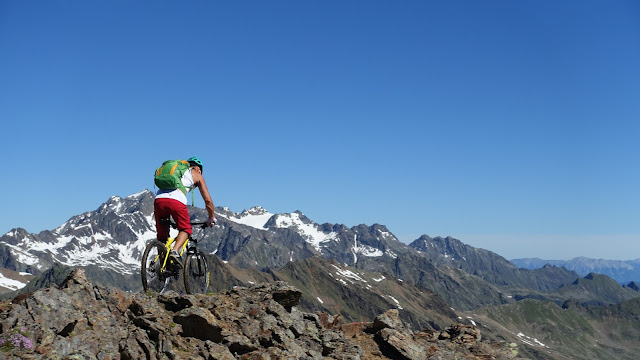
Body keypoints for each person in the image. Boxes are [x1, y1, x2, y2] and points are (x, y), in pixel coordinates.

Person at [154, 156, 216, 267]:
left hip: (158, 200)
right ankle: (175, 251)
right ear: (198, 168)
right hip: (176, 201)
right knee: (186, 229)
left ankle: (162, 269)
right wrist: (211, 217)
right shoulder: (197, 174)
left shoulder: (178, 171)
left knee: (162, 237)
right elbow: (208, 200)